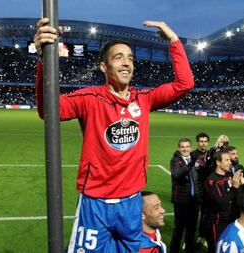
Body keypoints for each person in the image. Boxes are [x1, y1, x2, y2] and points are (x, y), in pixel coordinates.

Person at [34, 19, 194, 253]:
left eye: (130, 58)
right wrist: (43, 61)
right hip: (95, 203)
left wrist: (174, 40)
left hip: (131, 202)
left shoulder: (144, 99)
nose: (127, 63)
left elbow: (185, 83)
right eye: (119, 57)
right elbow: (47, 110)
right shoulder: (89, 99)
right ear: (103, 67)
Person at [204, 148, 244, 253]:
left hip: (230, 220)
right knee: (217, 249)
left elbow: (234, 197)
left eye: (230, 160)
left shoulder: (228, 175)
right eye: (227, 160)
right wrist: (235, 186)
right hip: (216, 223)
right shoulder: (212, 181)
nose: (230, 162)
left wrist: (243, 184)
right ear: (218, 162)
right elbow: (221, 202)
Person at [170, 138, 202, 253]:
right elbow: (177, 174)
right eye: (182, 147)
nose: (185, 149)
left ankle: (189, 250)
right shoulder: (175, 160)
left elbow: (198, 180)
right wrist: (190, 165)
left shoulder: (194, 160)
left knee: (192, 229)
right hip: (181, 201)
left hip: (194, 201)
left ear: (191, 147)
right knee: (179, 228)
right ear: (179, 148)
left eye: (187, 146)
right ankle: (174, 250)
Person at [190, 132, 211, 247]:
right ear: (198, 142)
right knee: (193, 215)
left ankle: (202, 236)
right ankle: (190, 239)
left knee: (205, 214)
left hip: (208, 190)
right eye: (201, 141)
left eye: (205, 141)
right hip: (196, 189)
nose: (203, 143)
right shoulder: (193, 155)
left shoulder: (211, 154)